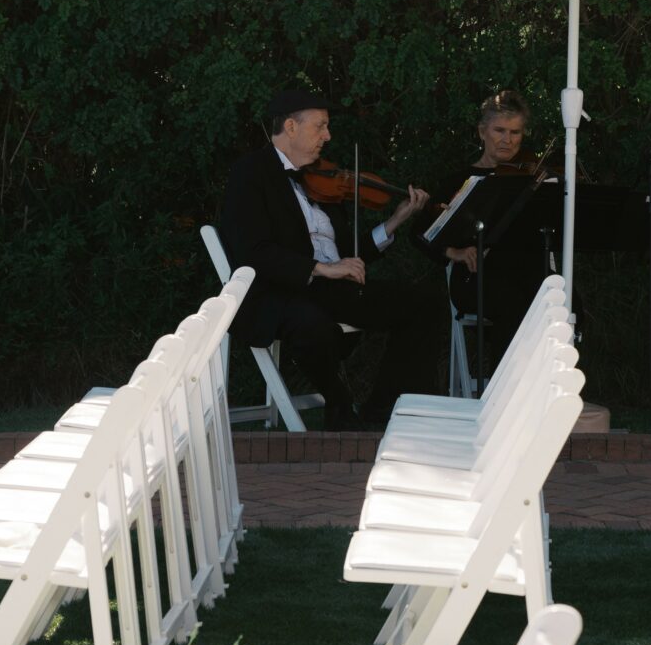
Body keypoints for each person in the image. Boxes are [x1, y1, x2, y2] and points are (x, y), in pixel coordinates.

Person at [218, 88, 440, 428]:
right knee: (313, 326)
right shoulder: (251, 173)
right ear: (291, 127)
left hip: (331, 291)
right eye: (320, 126)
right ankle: (338, 402)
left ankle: (385, 410)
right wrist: (322, 269)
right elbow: (253, 251)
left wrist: (396, 219)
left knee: (423, 303)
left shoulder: (322, 180)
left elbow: (346, 257)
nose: (328, 136)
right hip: (279, 291)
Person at [437, 90, 547, 372]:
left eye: (515, 132)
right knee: (513, 303)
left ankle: (551, 394)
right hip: (476, 279)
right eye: (499, 130)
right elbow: (421, 234)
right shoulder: (459, 180)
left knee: (566, 301)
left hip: (525, 274)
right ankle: (505, 394)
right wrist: (455, 251)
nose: (507, 140)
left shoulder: (531, 181)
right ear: (482, 131)